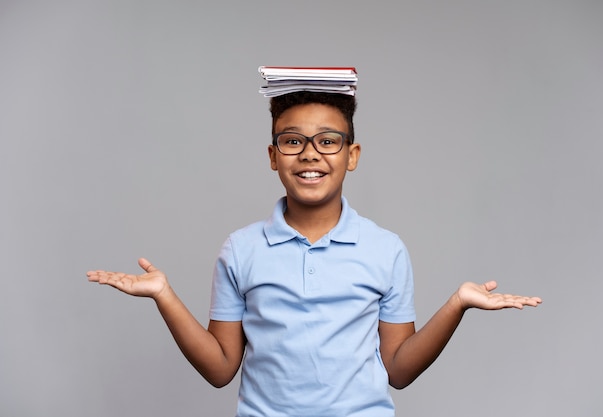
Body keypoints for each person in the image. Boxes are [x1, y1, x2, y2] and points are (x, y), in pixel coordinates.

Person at [87, 80, 542, 416]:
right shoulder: (241, 249)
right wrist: (164, 295)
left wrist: (457, 304)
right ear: (273, 156)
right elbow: (222, 368)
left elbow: (399, 371)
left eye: (328, 141)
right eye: (292, 141)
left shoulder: (385, 249)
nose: (310, 154)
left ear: (352, 155)